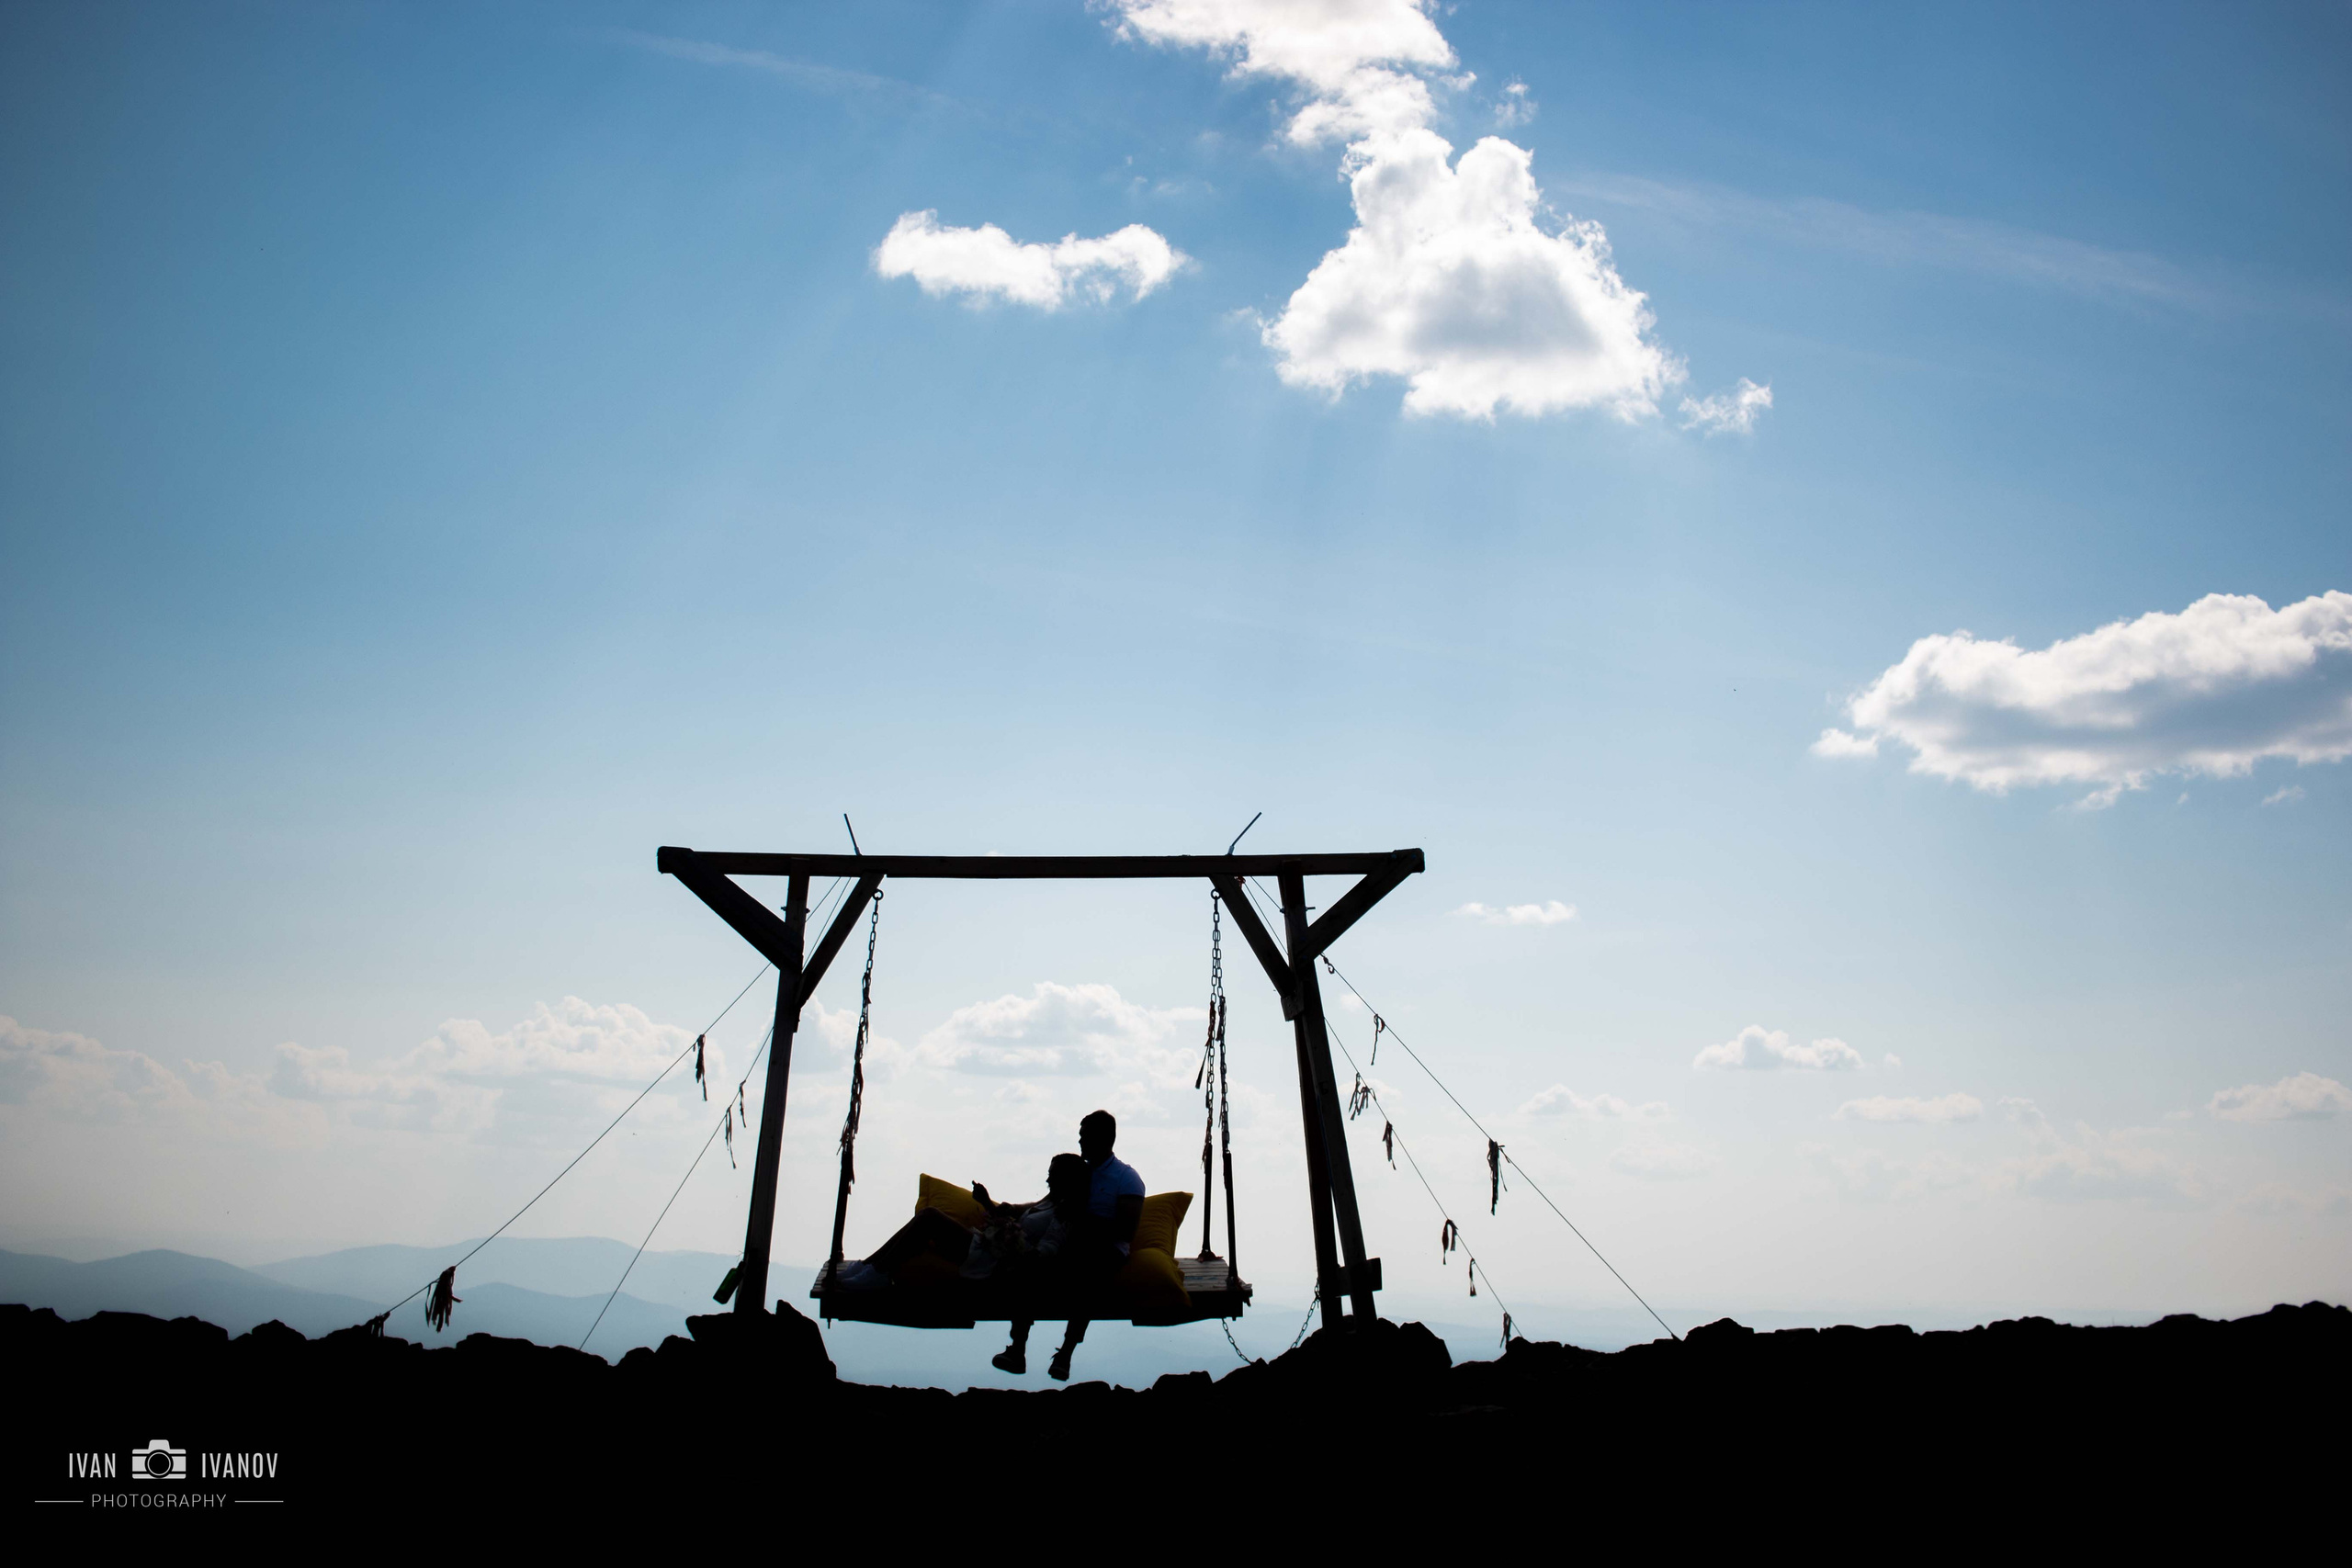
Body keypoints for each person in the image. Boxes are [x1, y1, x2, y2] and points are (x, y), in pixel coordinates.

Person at [995, 1109, 1144, 1382]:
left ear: (1103, 1138)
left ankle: (1065, 1353)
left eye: (1084, 1136)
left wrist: (1082, 1220)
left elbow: (1125, 1231)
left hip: (1105, 1249)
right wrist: (1012, 1209)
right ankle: (1017, 1350)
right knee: (1030, 1267)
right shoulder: (1078, 1172)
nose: (1080, 1142)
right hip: (1070, 1241)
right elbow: (1051, 1202)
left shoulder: (1126, 1178)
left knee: (1088, 1272)